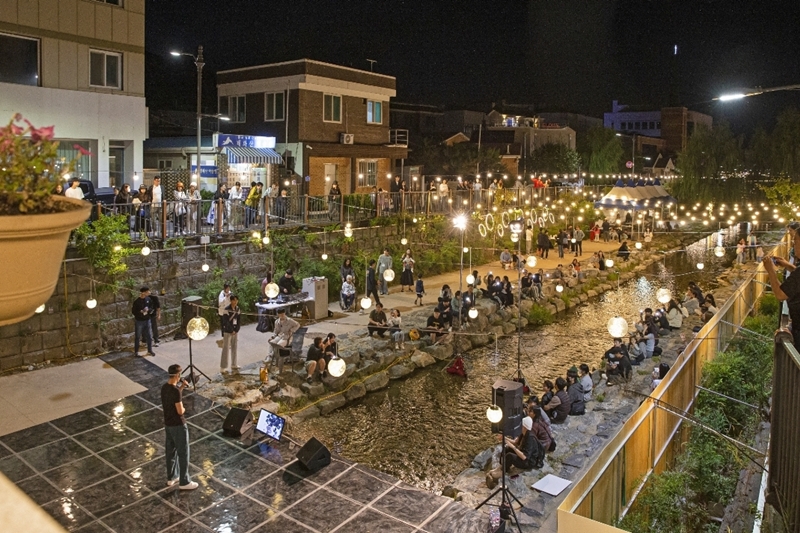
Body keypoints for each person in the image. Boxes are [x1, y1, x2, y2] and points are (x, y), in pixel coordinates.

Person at [161, 364, 198, 491]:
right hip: (178, 425)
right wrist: (184, 407)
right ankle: (184, 481)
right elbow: (180, 411)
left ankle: (172, 477)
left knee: (170, 451)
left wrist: (181, 387)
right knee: (183, 453)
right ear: (178, 375)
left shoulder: (165, 388)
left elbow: (173, 398)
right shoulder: (175, 391)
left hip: (168, 424)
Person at [485, 417, 544, 488]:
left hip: (528, 462)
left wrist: (513, 447)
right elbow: (515, 442)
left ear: (524, 426)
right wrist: (504, 438)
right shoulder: (524, 434)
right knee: (507, 449)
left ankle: (503, 472)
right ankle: (501, 467)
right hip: (523, 455)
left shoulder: (530, 439)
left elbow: (524, 457)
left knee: (510, 456)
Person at [220, 295, 241, 375]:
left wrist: (236, 330)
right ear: (231, 301)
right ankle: (223, 367)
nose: (235, 302)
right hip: (228, 331)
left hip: (235, 331)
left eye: (236, 300)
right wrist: (231, 330)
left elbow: (239, 320)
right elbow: (225, 322)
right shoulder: (226, 309)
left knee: (234, 347)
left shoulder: (238, 309)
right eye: (233, 300)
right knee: (225, 348)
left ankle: (234, 364)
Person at [132, 287, 155, 357]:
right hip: (139, 321)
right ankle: (136, 352)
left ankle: (150, 350)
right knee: (138, 336)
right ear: (143, 292)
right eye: (147, 291)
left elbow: (151, 307)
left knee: (149, 336)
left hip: (147, 320)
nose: (149, 292)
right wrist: (140, 312)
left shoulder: (148, 299)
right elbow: (133, 311)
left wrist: (148, 310)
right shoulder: (137, 302)